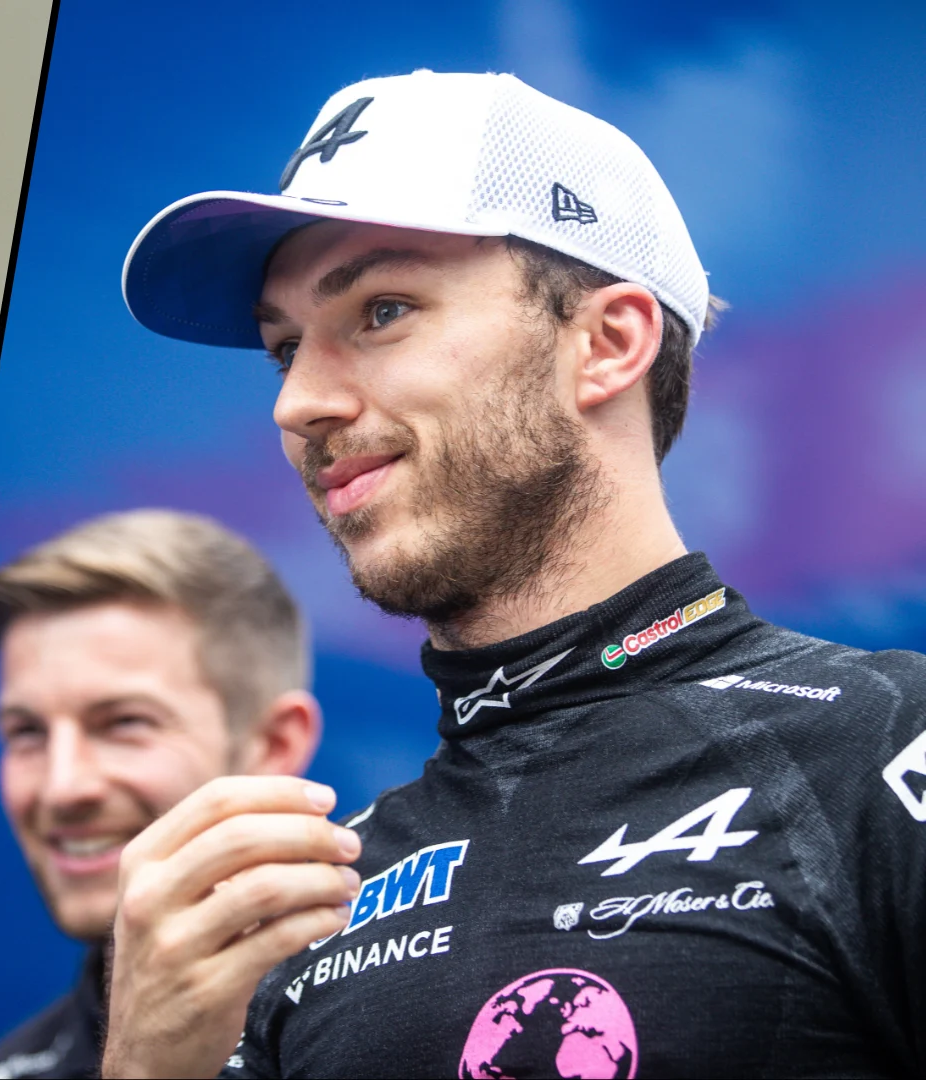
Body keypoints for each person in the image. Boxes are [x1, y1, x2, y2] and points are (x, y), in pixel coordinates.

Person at [100, 69, 926, 1077]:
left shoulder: (885, 750)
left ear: (607, 343)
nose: (298, 403)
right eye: (283, 350)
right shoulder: (317, 894)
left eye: (382, 309)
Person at [0, 510, 319, 1080]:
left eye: (124, 723)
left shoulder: (411, 1012)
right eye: (27, 732)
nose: (63, 786)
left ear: (273, 745)